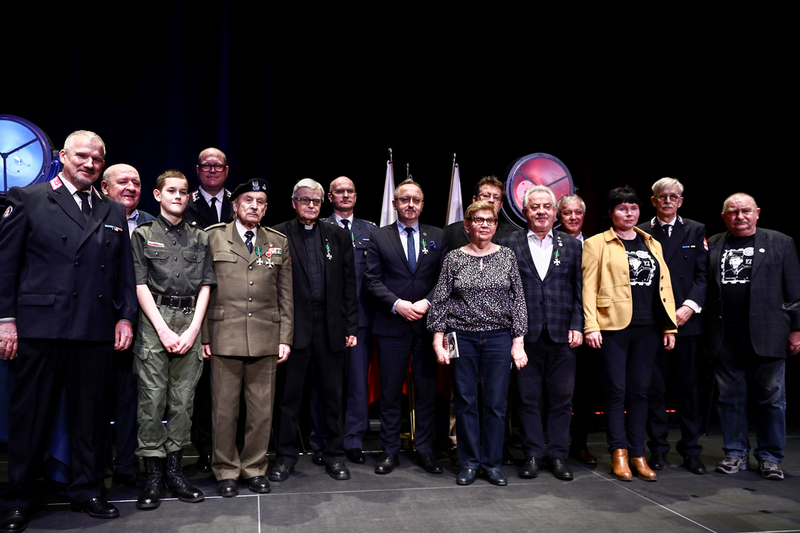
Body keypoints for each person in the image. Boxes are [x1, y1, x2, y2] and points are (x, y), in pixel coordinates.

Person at [0, 130, 137, 531]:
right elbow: (5, 267)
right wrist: (5, 320)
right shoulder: (29, 199)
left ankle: (87, 489)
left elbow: (122, 272)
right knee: (31, 417)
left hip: (94, 327)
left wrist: (125, 316)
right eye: (82, 156)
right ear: (63, 155)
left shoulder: (111, 210)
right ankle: (20, 497)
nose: (90, 164)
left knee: (90, 417)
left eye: (97, 158)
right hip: (40, 326)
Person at [131, 170, 216, 509]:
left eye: (183, 192)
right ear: (157, 194)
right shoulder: (143, 234)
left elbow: (207, 284)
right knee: (152, 401)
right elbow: (139, 284)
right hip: (155, 319)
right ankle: (153, 474)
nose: (178, 196)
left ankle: (175, 472)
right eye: (172, 191)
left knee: (183, 401)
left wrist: (194, 328)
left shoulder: (200, 238)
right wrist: (163, 329)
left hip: (190, 318)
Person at [202, 178, 293, 497]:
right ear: (235, 204)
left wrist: (285, 336)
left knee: (261, 411)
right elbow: (204, 290)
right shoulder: (213, 237)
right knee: (224, 411)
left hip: (266, 336)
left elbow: (286, 294)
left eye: (261, 202)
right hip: (223, 335)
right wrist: (203, 335)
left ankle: (254, 467)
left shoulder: (277, 240)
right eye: (248, 200)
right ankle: (225, 469)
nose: (255, 206)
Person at [582, 186, 677, 482]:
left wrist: (669, 324)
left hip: (648, 328)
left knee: (640, 392)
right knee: (616, 392)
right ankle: (618, 452)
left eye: (633, 208)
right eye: (622, 208)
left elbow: (665, 286)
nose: (628, 213)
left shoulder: (651, 241)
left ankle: (638, 453)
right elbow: (588, 287)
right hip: (613, 327)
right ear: (611, 213)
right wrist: (590, 325)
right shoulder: (597, 243)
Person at [429, 201, 527, 486]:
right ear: (467, 225)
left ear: (495, 225)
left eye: (490, 220)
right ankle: (469, 462)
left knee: (496, 403)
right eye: (478, 219)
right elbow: (441, 302)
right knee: (465, 401)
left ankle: (492, 463)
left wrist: (518, 341)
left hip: (498, 337)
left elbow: (518, 300)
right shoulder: (453, 258)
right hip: (461, 337)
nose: (484, 224)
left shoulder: (507, 256)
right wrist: (438, 339)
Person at [706, 193, 800, 481]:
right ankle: (735, 453)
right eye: (733, 212)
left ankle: (770, 457)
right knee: (729, 398)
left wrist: (796, 329)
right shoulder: (712, 244)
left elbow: (794, 290)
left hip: (769, 334)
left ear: (757, 213)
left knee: (772, 400)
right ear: (724, 217)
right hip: (726, 336)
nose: (740, 216)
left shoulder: (780, 242)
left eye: (745, 211)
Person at [269, 179, 358, 482]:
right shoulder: (277, 233)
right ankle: (284, 457)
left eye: (316, 201)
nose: (310, 206)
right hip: (293, 329)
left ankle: (334, 455)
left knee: (333, 397)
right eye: (304, 200)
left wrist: (350, 325)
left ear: (323, 204)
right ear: (293, 202)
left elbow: (349, 284)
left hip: (330, 326)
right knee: (288, 398)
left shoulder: (337, 234)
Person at [500, 186, 583, 481]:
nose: (541, 211)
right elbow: (504, 291)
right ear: (525, 212)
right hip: (524, 335)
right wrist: (512, 333)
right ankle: (533, 454)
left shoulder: (571, 245)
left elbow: (579, 290)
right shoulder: (507, 243)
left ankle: (558, 455)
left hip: (563, 333)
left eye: (547, 206)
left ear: (555, 212)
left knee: (562, 398)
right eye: (535, 207)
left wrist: (577, 324)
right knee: (527, 398)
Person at [365, 179, 447, 476]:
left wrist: (426, 302)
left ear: (422, 205)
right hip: (391, 324)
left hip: (428, 326)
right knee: (389, 393)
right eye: (404, 199)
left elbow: (445, 279)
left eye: (416, 200)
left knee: (427, 392)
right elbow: (371, 280)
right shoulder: (378, 236)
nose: (410, 204)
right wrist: (398, 304)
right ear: (394, 204)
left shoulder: (437, 235)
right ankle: (389, 451)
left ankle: (425, 450)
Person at [638, 178, 708, 475]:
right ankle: (658, 450)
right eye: (661, 196)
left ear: (681, 201)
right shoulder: (641, 230)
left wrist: (688, 307)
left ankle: (691, 450)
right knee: (655, 390)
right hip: (652, 323)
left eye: (673, 197)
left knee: (688, 390)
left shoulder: (695, 229)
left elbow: (703, 276)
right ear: (653, 200)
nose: (667, 201)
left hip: (686, 323)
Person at [100, 164, 156, 488]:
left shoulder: (152, 223)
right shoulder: (94, 218)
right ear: (105, 187)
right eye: (123, 182)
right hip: (99, 322)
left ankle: (126, 466)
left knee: (131, 398)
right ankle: (93, 468)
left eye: (136, 181)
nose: (131, 187)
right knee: (93, 400)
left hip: (144, 325)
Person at [321, 176, 377, 464]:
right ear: (329, 197)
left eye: (349, 191)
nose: (345, 195)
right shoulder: (320, 229)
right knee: (326, 383)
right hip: (327, 319)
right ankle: (323, 439)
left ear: (356, 196)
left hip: (362, 319)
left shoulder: (370, 230)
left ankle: (353, 439)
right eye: (339, 192)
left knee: (357, 383)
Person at [185, 147, 233, 472]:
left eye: (218, 166)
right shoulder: (185, 203)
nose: (212, 170)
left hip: (234, 303)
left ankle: (232, 446)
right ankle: (204, 449)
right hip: (195, 302)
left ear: (227, 170)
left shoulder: (241, 202)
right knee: (202, 387)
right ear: (198, 170)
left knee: (231, 384)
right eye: (206, 165)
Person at [556, 194, 598, 465]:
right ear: (559, 216)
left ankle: (580, 444)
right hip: (560, 327)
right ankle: (552, 444)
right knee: (557, 391)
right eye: (567, 213)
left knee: (586, 389)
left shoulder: (596, 244)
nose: (573, 218)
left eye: (578, 213)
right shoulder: (553, 243)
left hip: (592, 326)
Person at [443, 175, 514, 249]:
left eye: (496, 197)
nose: (491, 200)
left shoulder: (512, 234)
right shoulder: (450, 232)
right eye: (486, 195)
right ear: (474, 199)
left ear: (501, 204)